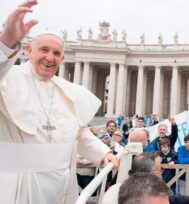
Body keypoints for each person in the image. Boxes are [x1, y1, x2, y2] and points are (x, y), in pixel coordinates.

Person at [0, 1, 119, 203]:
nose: (50, 57)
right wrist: (6, 43)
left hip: (63, 187)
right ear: (29, 50)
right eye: (44, 50)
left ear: (62, 58)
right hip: (21, 186)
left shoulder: (66, 90)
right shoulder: (8, 79)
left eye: (56, 53)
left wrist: (103, 152)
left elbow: (75, 133)